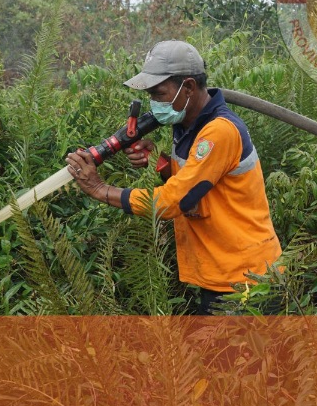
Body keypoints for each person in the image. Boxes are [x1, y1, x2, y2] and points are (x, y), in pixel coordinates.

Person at [65, 40, 282, 315]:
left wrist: (99, 189)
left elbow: (172, 201)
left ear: (188, 87)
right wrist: (160, 162)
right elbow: (198, 181)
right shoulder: (187, 124)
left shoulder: (219, 132)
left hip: (247, 278)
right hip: (226, 271)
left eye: (159, 94)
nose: (154, 104)